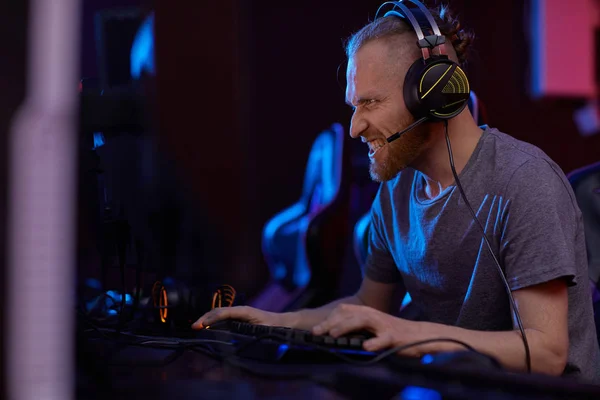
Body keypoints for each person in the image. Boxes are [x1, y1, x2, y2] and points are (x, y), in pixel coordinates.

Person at [192, 1, 600, 382]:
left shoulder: (524, 182)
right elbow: (371, 307)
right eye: (355, 106)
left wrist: (407, 333)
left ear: (433, 95)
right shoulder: (398, 187)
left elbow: (547, 353)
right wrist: (274, 321)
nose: (354, 127)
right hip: (451, 386)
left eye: (370, 103)